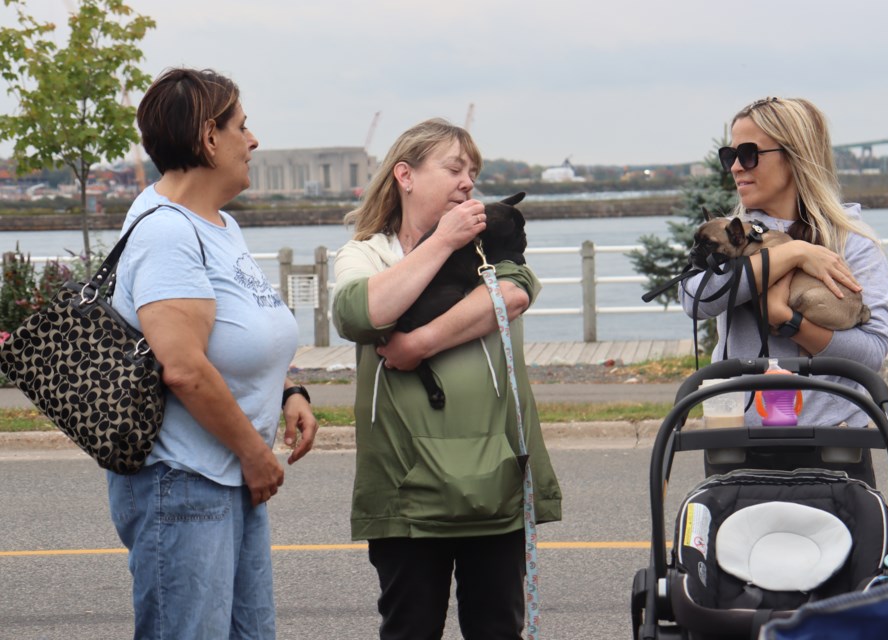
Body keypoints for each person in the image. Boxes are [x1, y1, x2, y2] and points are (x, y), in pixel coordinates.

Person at [107, 67, 318, 639]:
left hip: (224, 477)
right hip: (185, 481)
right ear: (208, 138)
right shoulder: (166, 234)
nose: (253, 141)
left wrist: (287, 388)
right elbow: (184, 367)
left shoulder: (218, 225)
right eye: (242, 128)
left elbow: (240, 332)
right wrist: (255, 453)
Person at [332, 118, 562, 640]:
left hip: (496, 486)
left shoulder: (490, 249)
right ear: (405, 176)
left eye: (473, 172)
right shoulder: (367, 252)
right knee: (409, 628)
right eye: (455, 168)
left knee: (499, 629)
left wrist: (418, 344)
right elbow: (359, 314)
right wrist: (440, 242)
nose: (468, 183)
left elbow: (512, 295)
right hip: (405, 492)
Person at [681, 97, 888, 430]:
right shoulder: (728, 239)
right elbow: (696, 301)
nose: (736, 167)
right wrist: (791, 254)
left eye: (749, 154)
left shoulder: (852, 242)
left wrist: (787, 319)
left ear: (796, 157)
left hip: (833, 439)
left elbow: (870, 354)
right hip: (737, 437)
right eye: (730, 156)